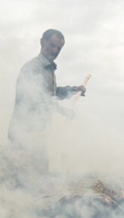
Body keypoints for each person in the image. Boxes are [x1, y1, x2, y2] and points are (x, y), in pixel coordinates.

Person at [8, 29, 86, 173]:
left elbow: (52, 94)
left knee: (39, 181)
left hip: (38, 137)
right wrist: (64, 111)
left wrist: (73, 90)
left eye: (59, 48)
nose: (55, 50)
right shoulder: (32, 68)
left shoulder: (48, 70)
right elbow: (39, 99)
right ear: (42, 42)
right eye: (52, 45)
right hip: (24, 136)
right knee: (25, 181)